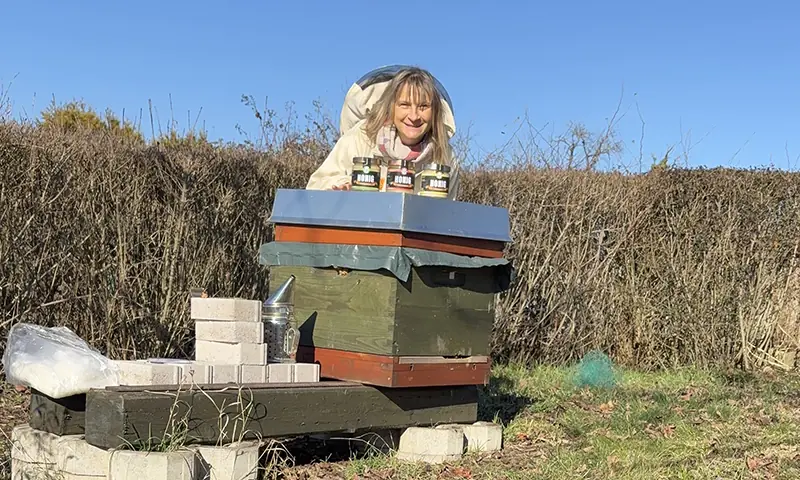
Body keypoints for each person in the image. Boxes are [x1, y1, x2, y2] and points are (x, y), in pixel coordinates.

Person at [305, 66, 460, 199]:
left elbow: (448, 215)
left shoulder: (446, 157)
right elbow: (315, 187)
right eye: (404, 105)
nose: (414, 116)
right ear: (391, 107)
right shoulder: (361, 138)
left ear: (435, 112)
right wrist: (344, 186)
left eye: (423, 106)